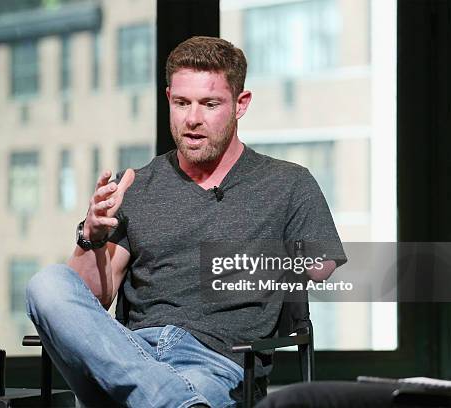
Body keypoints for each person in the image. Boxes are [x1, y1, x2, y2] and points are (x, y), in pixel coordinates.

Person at [26, 36, 346, 408]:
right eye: (181, 103)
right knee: (46, 283)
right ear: (168, 100)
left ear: (240, 104)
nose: (192, 119)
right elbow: (95, 299)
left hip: (217, 364)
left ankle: (164, 399)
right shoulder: (138, 186)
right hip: (129, 353)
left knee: (180, 389)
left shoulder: (287, 183)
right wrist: (91, 236)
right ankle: (171, 400)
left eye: (210, 104)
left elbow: (321, 266)